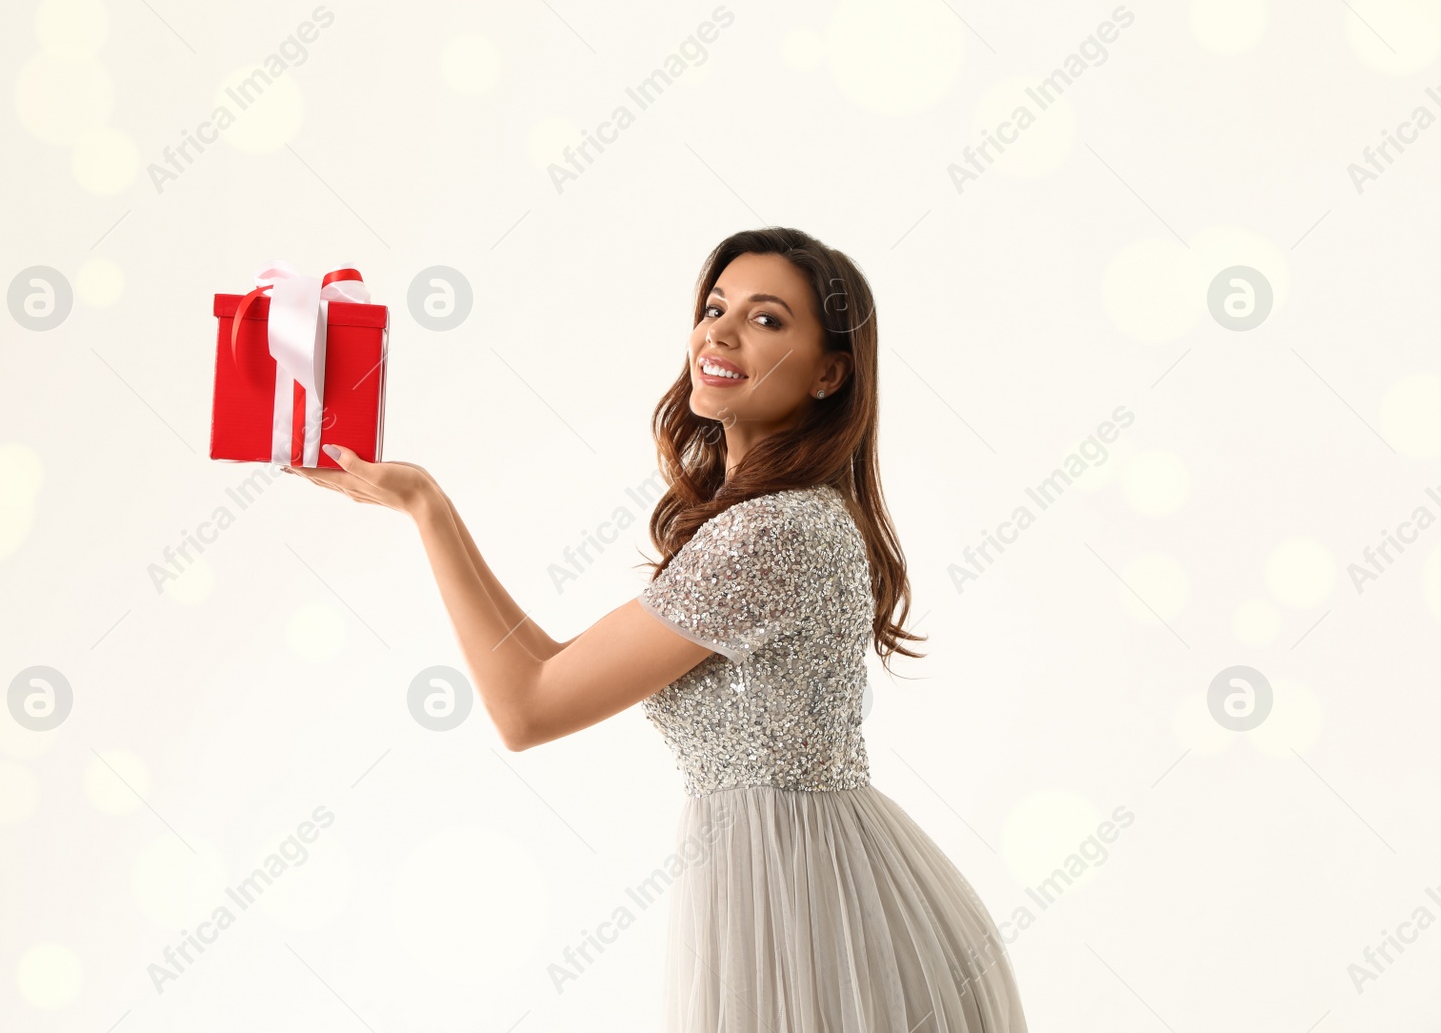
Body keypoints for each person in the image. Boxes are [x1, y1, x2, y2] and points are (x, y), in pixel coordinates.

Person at [288, 226, 1029, 1031]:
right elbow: (556, 664)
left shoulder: (767, 535)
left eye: (767, 318)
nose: (720, 330)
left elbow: (526, 707)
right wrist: (424, 502)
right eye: (715, 307)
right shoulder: (782, 518)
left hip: (804, 909)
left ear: (830, 373)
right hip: (817, 892)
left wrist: (425, 509)